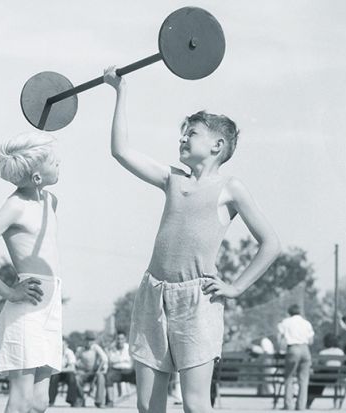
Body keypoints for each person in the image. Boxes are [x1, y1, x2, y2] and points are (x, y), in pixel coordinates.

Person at [102, 66, 281, 413]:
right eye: (182, 134)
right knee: (147, 405)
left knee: (195, 404)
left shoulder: (230, 188)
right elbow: (121, 151)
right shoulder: (172, 179)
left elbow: (270, 243)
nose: (182, 139)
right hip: (153, 293)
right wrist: (120, 91)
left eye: (192, 133)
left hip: (197, 300)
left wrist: (236, 287)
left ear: (217, 145)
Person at [0, 131, 61, 413]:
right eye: (53, 161)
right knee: (21, 400)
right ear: (37, 177)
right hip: (26, 310)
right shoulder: (14, 206)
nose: (59, 163)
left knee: (40, 402)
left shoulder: (50, 201)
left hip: (51, 307)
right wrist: (9, 292)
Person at [277, 304, 314, 410]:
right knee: (303, 380)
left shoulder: (285, 322)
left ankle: (288, 405)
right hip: (305, 349)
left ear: (289, 312)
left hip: (293, 348)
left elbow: (280, 338)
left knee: (289, 377)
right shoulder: (306, 323)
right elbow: (311, 341)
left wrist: (281, 349)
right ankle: (301, 406)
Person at [306, 333, 344, 408]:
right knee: (321, 377)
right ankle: (309, 401)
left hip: (323, 377)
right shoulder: (340, 352)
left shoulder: (323, 352)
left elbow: (318, 366)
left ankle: (308, 401)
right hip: (335, 378)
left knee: (316, 379)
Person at [75, 331, 109, 407]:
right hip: (83, 372)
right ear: (84, 340)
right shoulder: (80, 349)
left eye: (91, 340)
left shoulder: (96, 348)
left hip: (94, 372)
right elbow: (74, 361)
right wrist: (77, 368)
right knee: (76, 378)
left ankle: (99, 401)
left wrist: (99, 370)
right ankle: (80, 399)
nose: (89, 342)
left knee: (101, 377)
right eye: (87, 340)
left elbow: (104, 359)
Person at [105, 332, 136, 407]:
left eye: (122, 339)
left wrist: (118, 359)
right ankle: (110, 401)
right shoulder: (112, 349)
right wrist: (123, 359)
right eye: (118, 339)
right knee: (108, 377)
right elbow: (111, 360)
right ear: (116, 339)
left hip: (128, 371)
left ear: (125, 339)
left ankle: (146, 401)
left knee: (140, 378)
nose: (120, 341)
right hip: (115, 371)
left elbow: (134, 359)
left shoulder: (129, 348)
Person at [49, 338, 81, 407]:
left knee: (72, 377)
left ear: (67, 345)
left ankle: (72, 400)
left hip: (65, 373)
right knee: (54, 377)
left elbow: (72, 368)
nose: (61, 347)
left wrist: (60, 369)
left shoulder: (69, 352)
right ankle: (51, 401)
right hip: (56, 373)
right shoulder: (54, 352)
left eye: (63, 345)